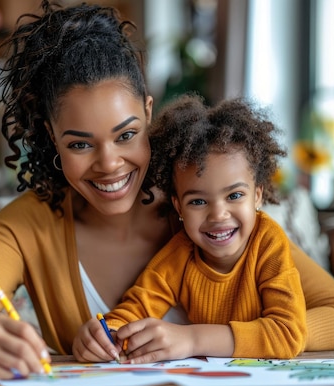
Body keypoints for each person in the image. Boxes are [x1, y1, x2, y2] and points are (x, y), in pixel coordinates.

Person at [0, 0, 334, 381]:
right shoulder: (27, 225)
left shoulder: (202, 205)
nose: (109, 163)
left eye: (126, 135)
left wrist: (216, 338)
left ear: (148, 113)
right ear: (51, 137)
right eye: (79, 144)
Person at [73, 94, 307, 363]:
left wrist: (192, 339)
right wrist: (106, 335)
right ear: (178, 207)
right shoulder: (179, 254)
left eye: (234, 196)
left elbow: (289, 333)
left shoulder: (268, 242)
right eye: (197, 201)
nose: (218, 215)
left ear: (257, 196)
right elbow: (137, 307)